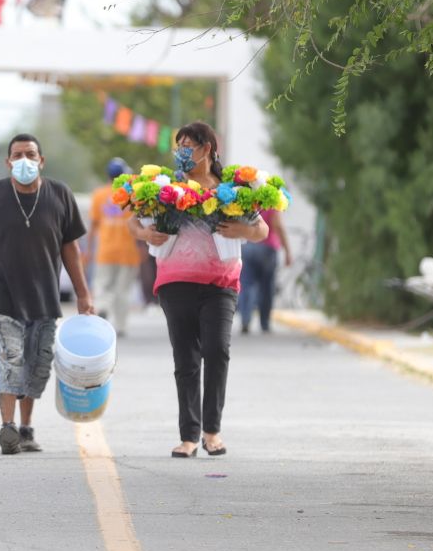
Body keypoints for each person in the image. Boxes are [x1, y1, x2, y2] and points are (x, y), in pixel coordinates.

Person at [129, 122, 267, 459]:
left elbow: (261, 229)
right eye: (180, 146)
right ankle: (189, 436)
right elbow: (132, 221)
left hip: (221, 284)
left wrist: (241, 231)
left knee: (217, 350)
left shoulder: (232, 191)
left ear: (208, 149)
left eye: (189, 145)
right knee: (186, 357)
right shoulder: (164, 188)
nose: (183, 152)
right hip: (175, 283)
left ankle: (212, 432)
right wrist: (147, 236)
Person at [0, 133, 94, 455]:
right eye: (18, 155)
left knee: (36, 367)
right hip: (2, 299)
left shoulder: (60, 195)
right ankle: (7, 428)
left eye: (30, 154)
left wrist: (83, 294)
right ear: (8, 162)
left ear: (41, 160)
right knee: (10, 361)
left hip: (45, 299)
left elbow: (71, 249)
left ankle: (26, 427)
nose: (24, 160)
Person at [88, 156, 140, 336]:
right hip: (128, 251)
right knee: (123, 290)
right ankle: (120, 326)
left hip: (106, 250)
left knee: (102, 285)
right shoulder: (132, 194)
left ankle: (102, 307)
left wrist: (88, 250)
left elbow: (93, 225)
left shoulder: (99, 194)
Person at [237, 208, 292, 334]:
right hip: (267, 248)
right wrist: (287, 251)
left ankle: (245, 320)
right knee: (266, 287)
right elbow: (278, 225)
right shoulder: (271, 200)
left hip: (247, 246)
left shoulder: (247, 197)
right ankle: (264, 323)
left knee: (246, 285)